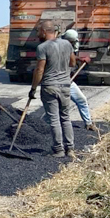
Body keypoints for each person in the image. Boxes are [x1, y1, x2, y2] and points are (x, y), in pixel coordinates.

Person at [29, 21, 76, 157]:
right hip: (66, 86)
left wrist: (33, 89)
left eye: (38, 31)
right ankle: (70, 148)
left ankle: (59, 149)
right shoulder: (67, 44)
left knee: (54, 119)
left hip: (50, 87)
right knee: (65, 118)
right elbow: (73, 62)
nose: (37, 34)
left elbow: (39, 70)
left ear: (44, 31)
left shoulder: (42, 47)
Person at [61, 29, 97, 131]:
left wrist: (79, 59)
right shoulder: (59, 46)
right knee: (58, 107)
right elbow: (69, 60)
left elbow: (71, 57)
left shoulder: (68, 46)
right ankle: (46, 124)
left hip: (68, 81)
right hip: (58, 82)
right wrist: (78, 59)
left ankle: (88, 123)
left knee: (82, 100)